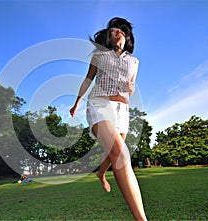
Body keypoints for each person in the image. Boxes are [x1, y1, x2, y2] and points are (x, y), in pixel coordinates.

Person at [70, 17, 147, 221]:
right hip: (100, 103)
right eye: (113, 31)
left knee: (114, 152)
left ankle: (101, 173)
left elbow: (130, 87)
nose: (118, 32)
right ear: (107, 37)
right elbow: (88, 79)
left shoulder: (134, 61)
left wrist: (130, 89)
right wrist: (77, 102)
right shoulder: (99, 56)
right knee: (121, 155)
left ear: (127, 36)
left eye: (121, 30)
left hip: (122, 109)